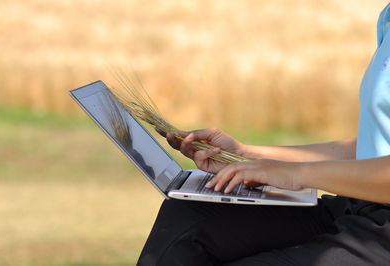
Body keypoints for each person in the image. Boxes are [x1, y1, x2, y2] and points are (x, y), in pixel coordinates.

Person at [137, 3, 390, 265]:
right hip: (360, 206)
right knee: (190, 216)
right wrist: (247, 155)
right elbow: (373, 147)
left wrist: (296, 174)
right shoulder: (387, 19)